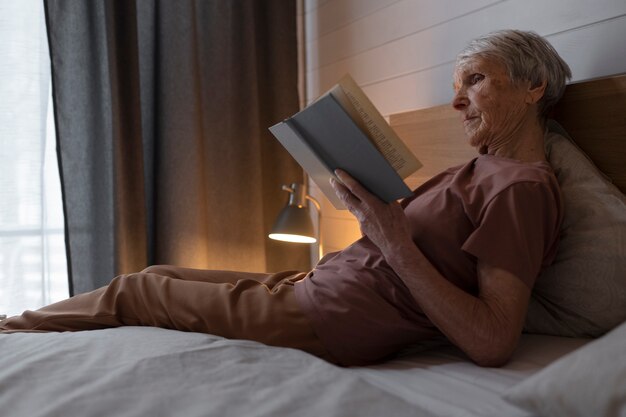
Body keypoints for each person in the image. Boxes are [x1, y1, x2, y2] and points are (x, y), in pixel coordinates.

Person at [0, 29, 571, 367]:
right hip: (318, 287)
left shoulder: (521, 189)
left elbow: (494, 339)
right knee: (157, 270)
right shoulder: (483, 170)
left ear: (532, 88)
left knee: (136, 290)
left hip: (337, 317)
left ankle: (8, 330)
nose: (456, 102)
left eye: (475, 80)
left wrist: (393, 240)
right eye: (456, 88)